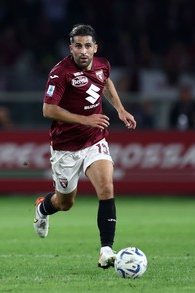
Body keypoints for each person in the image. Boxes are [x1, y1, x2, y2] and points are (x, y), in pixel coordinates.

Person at [33, 24, 136, 269]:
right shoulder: (60, 73)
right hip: (66, 147)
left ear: (95, 48)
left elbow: (106, 83)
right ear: (71, 48)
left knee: (106, 186)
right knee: (65, 203)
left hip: (95, 140)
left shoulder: (102, 65)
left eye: (88, 46)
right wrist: (85, 118)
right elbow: (48, 110)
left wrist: (120, 109)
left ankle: (106, 250)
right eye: (78, 46)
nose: (83, 51)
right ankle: (42, 208)